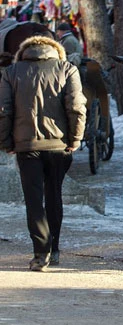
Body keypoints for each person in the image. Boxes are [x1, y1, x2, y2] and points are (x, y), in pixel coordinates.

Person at [0, 36, 86, 271]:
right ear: (55, 51)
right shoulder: (67, 69)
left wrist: (6, 141)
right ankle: (55, 248)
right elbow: (76, 106)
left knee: (33, 200)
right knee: (54, 194)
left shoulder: (11, 72)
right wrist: (75, 139)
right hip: (59, 145)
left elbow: (3, 110)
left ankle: (41, 253)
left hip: (26, 146)